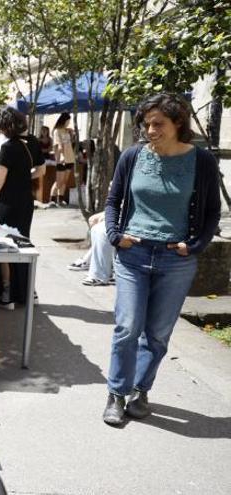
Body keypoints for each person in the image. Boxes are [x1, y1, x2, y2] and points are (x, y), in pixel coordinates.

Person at [101, 93, 220, 426]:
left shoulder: (202, 161)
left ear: (177, 123)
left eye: (158, 124)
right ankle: (116, 394)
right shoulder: (133, 156)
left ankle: (140, 390)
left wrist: (194, 245)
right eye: (146, 123)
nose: (150, 130)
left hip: (175, 259)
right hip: (133, 254)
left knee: (157, 334)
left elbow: (212, 212)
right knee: (127, 327)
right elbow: (113, 202)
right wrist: (114, 235)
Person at [0, 107, 45, 310]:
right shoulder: (33, 142)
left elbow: (0, 178)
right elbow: (41, 170)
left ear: (7, 127)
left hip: (8, 201)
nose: (0, 132)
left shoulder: (8, 147)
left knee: (4, 244)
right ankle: (28, 292)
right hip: (26, 200)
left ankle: (7, 294)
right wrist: (24, 177)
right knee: (23, 244)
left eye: (0, 128)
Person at [51, 112, 75, 206]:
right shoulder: (57, 131)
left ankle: (60, 199)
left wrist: (72, 134)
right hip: (62, 158)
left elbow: (70, 143)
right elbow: (59, 145)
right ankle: (52, 199)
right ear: (64, 120)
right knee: (59, 181)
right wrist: (61, 157)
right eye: (68, 121)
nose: (69, 123)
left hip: (70, 158)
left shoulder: (67, 130)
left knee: (65, 180)